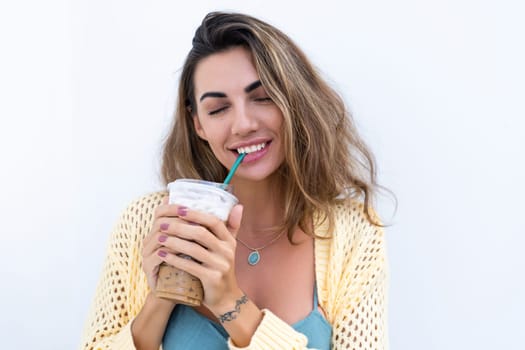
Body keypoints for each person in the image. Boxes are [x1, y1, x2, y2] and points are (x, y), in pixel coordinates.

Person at [80, 11, 389, 350]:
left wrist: (229, 301)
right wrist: (160, 297)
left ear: (294, 101)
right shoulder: (147, 222)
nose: (242, 124)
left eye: (263, 97)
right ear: (198, 124)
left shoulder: (353, 231)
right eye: (217, 109)